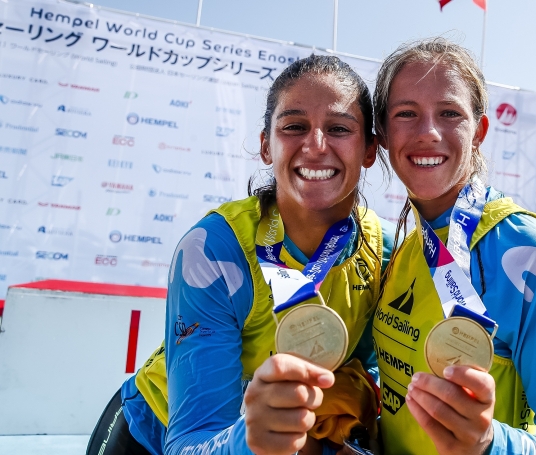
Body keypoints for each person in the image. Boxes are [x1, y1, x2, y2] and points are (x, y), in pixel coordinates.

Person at [86, 55, 395, 455]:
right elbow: (190, 441)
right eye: (294, 127)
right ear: (267, 146)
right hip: (151, 435)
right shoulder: (214, 249)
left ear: (369, 149)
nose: (316, 145)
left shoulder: (384, 249)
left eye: (339, 128)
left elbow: (367, 368)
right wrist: (250, 438)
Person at [370, 38, 536, 454]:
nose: (428, 132)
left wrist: (490, 444)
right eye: (406, 113)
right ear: (384, 135)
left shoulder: (534, 257)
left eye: (450, 113)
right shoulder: (409, 247)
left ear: (478, 131)